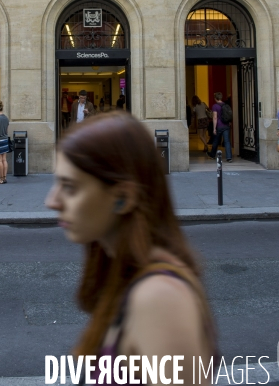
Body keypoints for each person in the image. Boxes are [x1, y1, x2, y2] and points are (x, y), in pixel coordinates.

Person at [46, 112, 217, 383]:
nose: (51, 201)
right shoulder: (123, 272)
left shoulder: (160, 299)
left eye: (70, 187)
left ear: (123, 196)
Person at [207, 92, 232, 162]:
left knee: (216, 141)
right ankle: (229, 157)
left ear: (215, 98)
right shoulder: (226, 105)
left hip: (219, 125)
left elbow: (215, 117)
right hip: (226, 125)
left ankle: (212, 154)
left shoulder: (215, 106)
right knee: (227, 141)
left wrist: (214, 128)